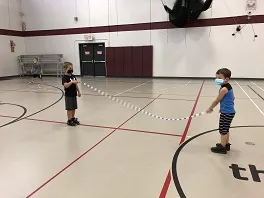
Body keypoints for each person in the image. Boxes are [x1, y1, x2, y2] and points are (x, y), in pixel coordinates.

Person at [206, 68, 236, 154]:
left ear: (226, 79)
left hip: (227, 113)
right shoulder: (228, 86)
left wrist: (210, 108)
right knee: (226, 129)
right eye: (216, 78)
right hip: (229, 111)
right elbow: (233, 98)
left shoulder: (223, 89)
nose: (217, 80)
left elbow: (217, 100)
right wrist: (223, 107)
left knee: (223, 130)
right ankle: (226, 144)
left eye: (219, 78)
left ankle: (222, 148)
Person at [62, 62, 81, 126]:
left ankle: (72, 118)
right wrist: (71, 82)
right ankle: (69, 120)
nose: (71, 69)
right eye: (69, 68)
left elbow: (76, 85)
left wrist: (78, 91)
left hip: (74, 94)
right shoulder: (64, 77)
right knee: (69, 108)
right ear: (65, 69)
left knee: (73, 108)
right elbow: (66, 85)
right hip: (68, 95)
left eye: (72, 68)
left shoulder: (73, 76)